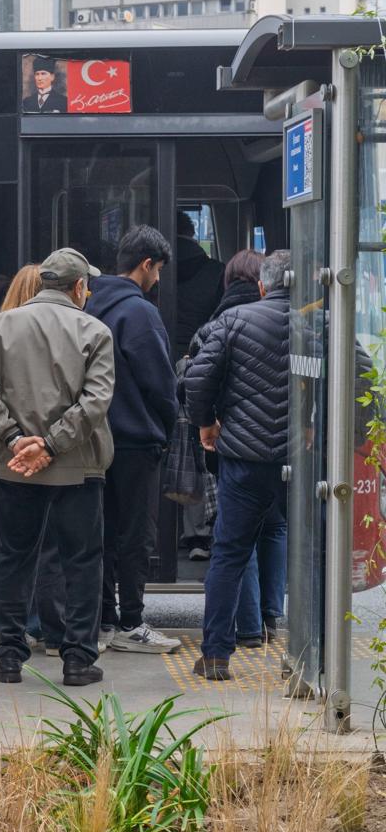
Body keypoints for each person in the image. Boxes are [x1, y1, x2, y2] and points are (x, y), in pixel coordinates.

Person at [0, 248, 115, 686]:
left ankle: (8, 658)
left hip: (12, 467)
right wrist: (51, 446)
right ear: (79, 287)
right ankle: (78, 660)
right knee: (82, 563)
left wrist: (15, 440)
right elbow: (95, 402)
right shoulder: (95, 331)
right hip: (79, 468)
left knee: (13, 559)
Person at [184, 251, 295, 680]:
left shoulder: (233, 321)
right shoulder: (321, 323)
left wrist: (206, 424)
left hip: (244, 460)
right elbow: (363, 376)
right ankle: (312, 659)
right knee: (312, 555)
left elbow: (197, 379)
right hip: (300, 462)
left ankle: (215, 656)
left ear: (263, 286)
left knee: (229, 554)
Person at [85, 225, 182, 654]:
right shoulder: (140, 313)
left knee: (102, 532)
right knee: (136, 535)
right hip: (136, 441)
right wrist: (167, 425)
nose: (157, 279)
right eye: (157, 270)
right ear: (146, 264)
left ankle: (104, 619)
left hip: (94, 440)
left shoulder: (89, 304)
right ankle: (132, 622)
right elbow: (160, 383)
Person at [180, 250, 266, 564]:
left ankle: (200, 535)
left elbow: (195, 382)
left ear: (227, 282)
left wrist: (205, 422)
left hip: (228, 440)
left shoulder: (218, 325)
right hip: (280, 447)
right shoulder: (290, 319)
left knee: (235, 539)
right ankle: (271, 597)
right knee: (272, 528)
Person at [171, 211, 225, 357]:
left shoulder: (151, 268)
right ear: (192, 232)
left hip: (159, 348)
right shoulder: (217, 271)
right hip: (202, 352)